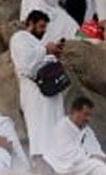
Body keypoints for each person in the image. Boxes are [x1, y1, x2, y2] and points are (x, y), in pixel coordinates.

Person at [10, 11, 66, 161]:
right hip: (35, 94)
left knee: (54, 128)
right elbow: (25, 63)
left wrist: (53, 54)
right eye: (41, 26)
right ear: (31, 24)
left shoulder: (36, 43)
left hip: (49, 93)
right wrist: (46, 50)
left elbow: (42, 62)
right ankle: (40, 164)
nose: (43, 31)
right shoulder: (20, 38)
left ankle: (56, 163)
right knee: (40, 130)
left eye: (45, 27)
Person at [44, 97, 106, 175]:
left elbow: (96, 148)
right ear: (74, 112)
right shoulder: (62, 127)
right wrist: (91, 157)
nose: (88, 119)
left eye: (90, 115)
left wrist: (104, 159)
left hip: (84, 163)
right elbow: (67, 153)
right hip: (67, 165)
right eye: (86, 114)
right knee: (97, 166)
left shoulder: (87, 130)